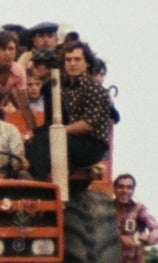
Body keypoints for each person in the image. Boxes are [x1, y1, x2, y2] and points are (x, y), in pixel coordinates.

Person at [25, 40, 113, 181]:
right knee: (36, 140)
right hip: (74, 139)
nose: (72, 63)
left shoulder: (93, 88)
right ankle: (33, 175)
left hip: (93, 144)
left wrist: (60, 130)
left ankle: (37, 181)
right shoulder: (66, 87)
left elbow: (88, 125)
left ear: (87, 63)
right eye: (68, 60)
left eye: (77, 59)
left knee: (48, 139)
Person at [113, 173, 158, 263]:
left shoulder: (139, 209)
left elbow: (157, 231)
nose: (124, 191)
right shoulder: (106, 208)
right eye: (120, 187)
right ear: (114, 189)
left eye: (129, 187)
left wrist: (148, 237)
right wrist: (119, 238)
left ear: (133, 190)